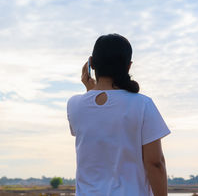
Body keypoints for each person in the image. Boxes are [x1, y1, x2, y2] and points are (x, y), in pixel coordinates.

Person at [67, 34, 170, 196]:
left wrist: (90, 90)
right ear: (128, 66)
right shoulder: (143, 105)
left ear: (91, 64)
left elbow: (97, 118)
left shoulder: (74, 105)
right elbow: (155, 163)